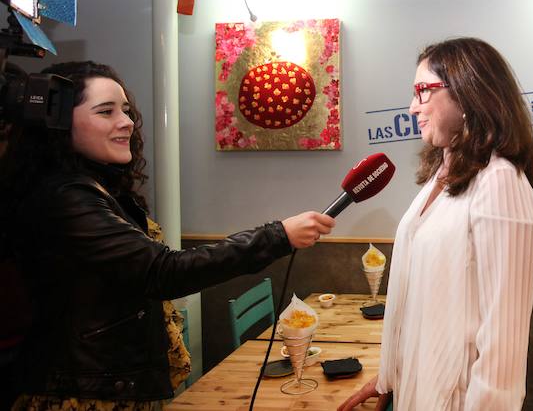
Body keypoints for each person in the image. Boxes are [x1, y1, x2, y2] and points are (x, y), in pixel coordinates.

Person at [0, 61, 335, 410]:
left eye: (126, 110)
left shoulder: (96, 189)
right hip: (81, 397)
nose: (126, 122)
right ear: (57, 121)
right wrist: (277, 235)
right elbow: (162, 271)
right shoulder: (64, 199)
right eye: (106, 112)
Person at [339, 38, 533, 410]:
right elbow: (414, 300)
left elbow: (504, 346)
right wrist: (388, 378)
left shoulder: (499, 181)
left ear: (469, 94)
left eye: (422, 91)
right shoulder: (442, 177)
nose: (412, 106)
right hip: (418, 391)